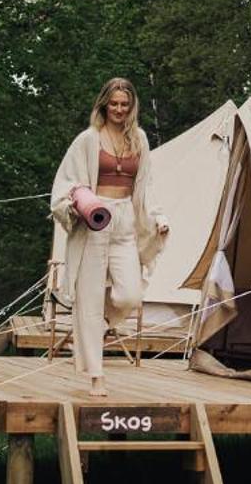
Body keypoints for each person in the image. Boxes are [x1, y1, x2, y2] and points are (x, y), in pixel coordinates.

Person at [50, 79, 169, 396]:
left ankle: (97, 325)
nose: (119, 109)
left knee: (130, 294)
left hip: (125, 221)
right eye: (114, 103)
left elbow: (148, 186)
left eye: (124, 104)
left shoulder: (139, 139)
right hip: (95, 222)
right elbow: (66, 182)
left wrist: (158, 218)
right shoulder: (88, 140)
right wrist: (71, 207)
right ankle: (96, 376)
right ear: (104, 104)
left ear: (132, 107)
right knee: (88, 298)